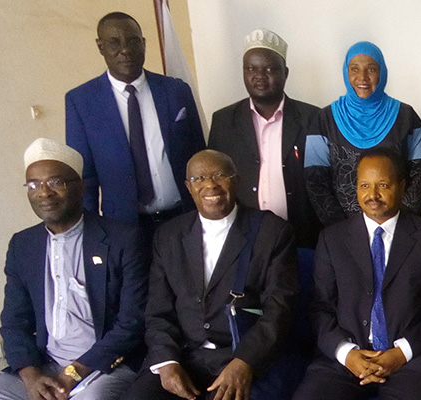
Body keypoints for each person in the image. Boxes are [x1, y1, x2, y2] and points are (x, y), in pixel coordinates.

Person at [0, 138, 147, 400]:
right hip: (45, 365)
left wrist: (73, 373)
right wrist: (31, 377)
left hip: (104, 366)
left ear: (80, 186)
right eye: (33, 184)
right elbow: (14, 322)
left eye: (56, 182)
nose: (44, 192)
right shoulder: (23, 245)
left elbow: (132, 322)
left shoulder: (122, 239)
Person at [127, 150, 298, 400]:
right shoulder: (168, 236)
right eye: (199, 179)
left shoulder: (272, 232)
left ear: (236, 180)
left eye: (220, 175)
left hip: (241, 355)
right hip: (183, 355)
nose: (210, 185)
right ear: (188, 187)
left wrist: (244, 362)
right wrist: (166, 362)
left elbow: (280, 310)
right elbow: (158, 311)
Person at [294, 148, 421, 400]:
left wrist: (401, 352)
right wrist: (347, 353)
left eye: (383, 185)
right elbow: (319, 308)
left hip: (411, 360)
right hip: (346, 359)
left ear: (402, 186)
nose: (373, 195)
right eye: (364, 185)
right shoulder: (332, 239)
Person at [66, 12, 205, 232]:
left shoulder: (176, 91)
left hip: (184, 218)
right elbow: (85, 178)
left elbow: (200, 153)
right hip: (124, 227)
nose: (125, 50)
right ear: (100, 47)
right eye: (114, 42)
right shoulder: (81, 102)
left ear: (144, 44)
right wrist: (91, 233)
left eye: (133, 41)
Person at [209, 28, 322, 249]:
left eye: (270, 68)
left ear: (285, 73)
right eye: (251, 68)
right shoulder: (224, 121)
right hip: (244, 239)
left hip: (303, 235)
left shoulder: (313, 118)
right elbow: (216, 180)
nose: (259, 76)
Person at [304, 41, 421, 226]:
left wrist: (395, 225)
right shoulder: (324, 120)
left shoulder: (406, 117)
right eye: (354, 69)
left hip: (397, 230)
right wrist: (342, 230)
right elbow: (315, 181)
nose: (362, 77)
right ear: (346, 73)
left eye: (371, 69)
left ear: (382, 72)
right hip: (342, 233)